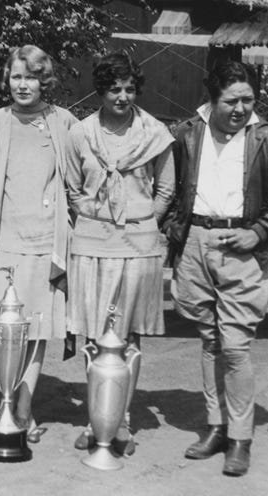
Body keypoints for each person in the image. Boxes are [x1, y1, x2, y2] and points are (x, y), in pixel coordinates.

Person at [164, 61, 268, 476]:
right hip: (195, 244)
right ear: (212, 97)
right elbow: (168, 187)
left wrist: (257, 233)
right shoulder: (187, 133)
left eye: (248, 100)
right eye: (232, 100)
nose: (241, 108)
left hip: (243, 247)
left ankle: (240, 437)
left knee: (236, 345)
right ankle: (216, 426)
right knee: (209, 339)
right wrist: (175, 229)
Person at [0, 44, 76, 441]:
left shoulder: (64, 122)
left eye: (31, 76)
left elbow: (78, 182)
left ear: (44, 80)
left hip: (46, 243)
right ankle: (6, 398)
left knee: (36, 330)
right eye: (16, 76)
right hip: (2, 241)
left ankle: (23, 409)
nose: (23, 85)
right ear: (6, 80)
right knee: (2, 330)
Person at [64, 52, 174, 454]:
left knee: (128, 338)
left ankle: (122, 423)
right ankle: (96, 420)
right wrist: (97, 218)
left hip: (138, 247)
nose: (123, 96)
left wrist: (141, 222)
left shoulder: (155, 133)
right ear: (101, 91)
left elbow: (166, 190)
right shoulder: (81, 134)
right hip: (92, 244)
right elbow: (73, 189)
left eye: (129, 88)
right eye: (114, 88)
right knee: (94, 336)